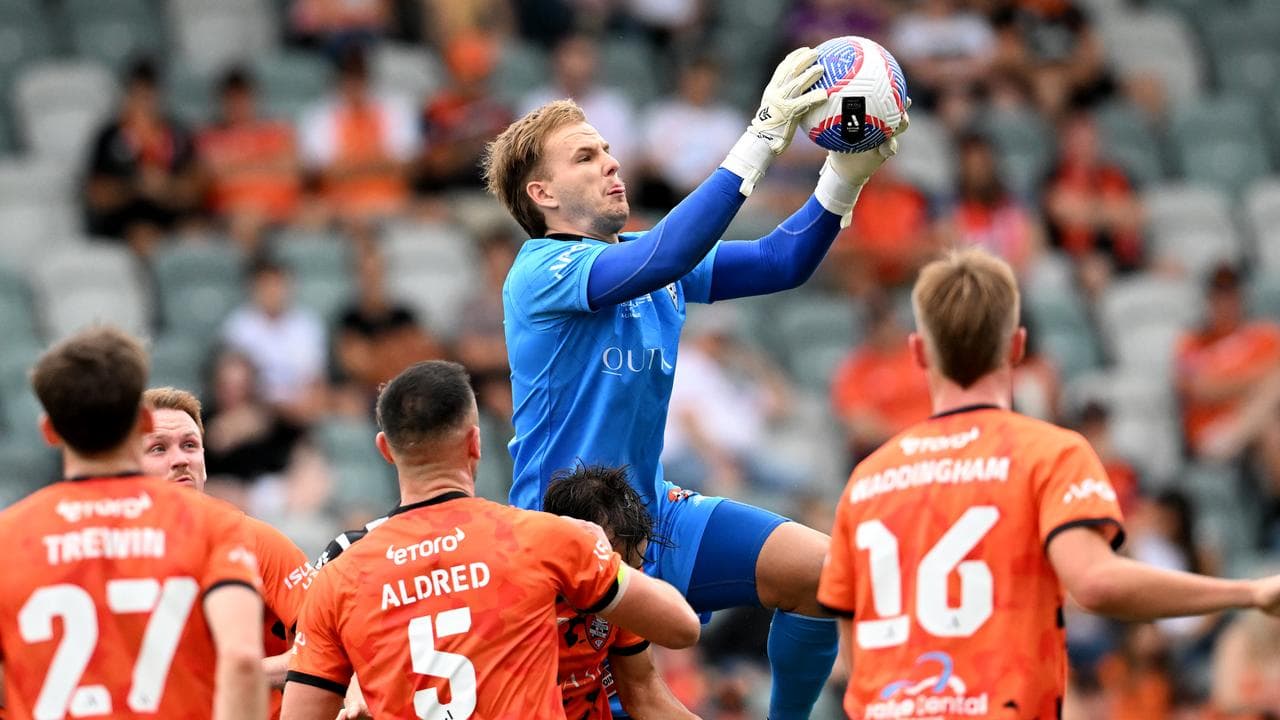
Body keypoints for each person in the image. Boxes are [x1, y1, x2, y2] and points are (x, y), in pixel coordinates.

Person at [483, 45, 906, 719]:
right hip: (569, 546)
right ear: (543, 194)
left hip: (655, 513)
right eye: (585, 157)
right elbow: (672, 252)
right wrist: (762, 137)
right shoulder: (540, 272)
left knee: (826, 575)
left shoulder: (644, 257)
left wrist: (841, 178)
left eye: (607, 149)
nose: (611, 162)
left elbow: (781, 259)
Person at [816, 248, 1280, 719]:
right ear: (1016, 347)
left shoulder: (867, 480)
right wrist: (1249, 593)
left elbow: (854, 648)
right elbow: (1097, 583)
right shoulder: (1048, 454)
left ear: (918, 351)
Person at [281, 361, 700, 718]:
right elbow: (681, 628)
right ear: (475, 442)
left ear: (385, 450)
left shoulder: (340, 578)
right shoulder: (547, 540)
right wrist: (599, 558)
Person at [0, 327, 266, 718]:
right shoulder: (210, 524)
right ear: (143, 420)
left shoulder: (8, 536)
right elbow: (243, 659)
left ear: (49, 431)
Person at [141, 386, 315, 720]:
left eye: (190, 445)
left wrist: (234, 675)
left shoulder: (258, 541)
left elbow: (327, 649)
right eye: (158, 448)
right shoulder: (103, 553)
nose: (180, 459)